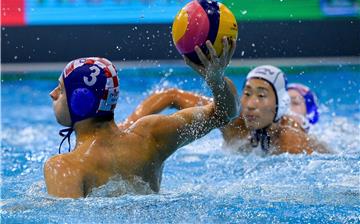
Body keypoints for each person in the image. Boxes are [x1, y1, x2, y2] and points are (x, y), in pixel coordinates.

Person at [44, 38, 239, 198]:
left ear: (81, 101)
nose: (52, 94)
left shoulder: (64, 167)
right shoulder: (150, 137)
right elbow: (224, 113)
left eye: (61, 89)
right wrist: (217, 80)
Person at [122, 65, 329, 154]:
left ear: (279, 105)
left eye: (262, 95)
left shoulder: (289, 138)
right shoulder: (233, 119)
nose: (251, 104)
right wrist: (126, 128)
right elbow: (171, 95)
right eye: (247, 93)